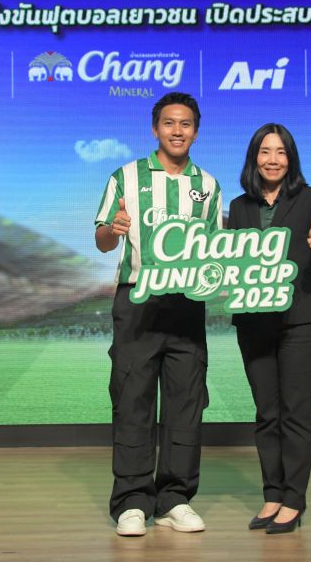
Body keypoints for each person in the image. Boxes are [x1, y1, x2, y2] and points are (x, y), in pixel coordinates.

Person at [94, 92, 222, 537]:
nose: (177, 130)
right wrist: (114, 230)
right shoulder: (125, 177)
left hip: (186, 304)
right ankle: (132, 501)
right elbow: (102, 241)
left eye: (185, 124)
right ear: (155, 129)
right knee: (133, 398)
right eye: (169, 123)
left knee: (186, 401)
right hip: (137, 301)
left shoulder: (208, 184)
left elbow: (214, 249)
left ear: (196, 131)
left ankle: (174, 499)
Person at [227, 123, 311, 535]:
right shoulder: (238, 207)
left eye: (281, 152)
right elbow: (232, 262)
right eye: (265, 151)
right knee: (266, 414)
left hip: (300, 321)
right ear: (254, 158)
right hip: (254, 323)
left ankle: (293, 500)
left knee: (296, 412)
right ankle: (272, 495)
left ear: (291, 158)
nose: (273, 160)